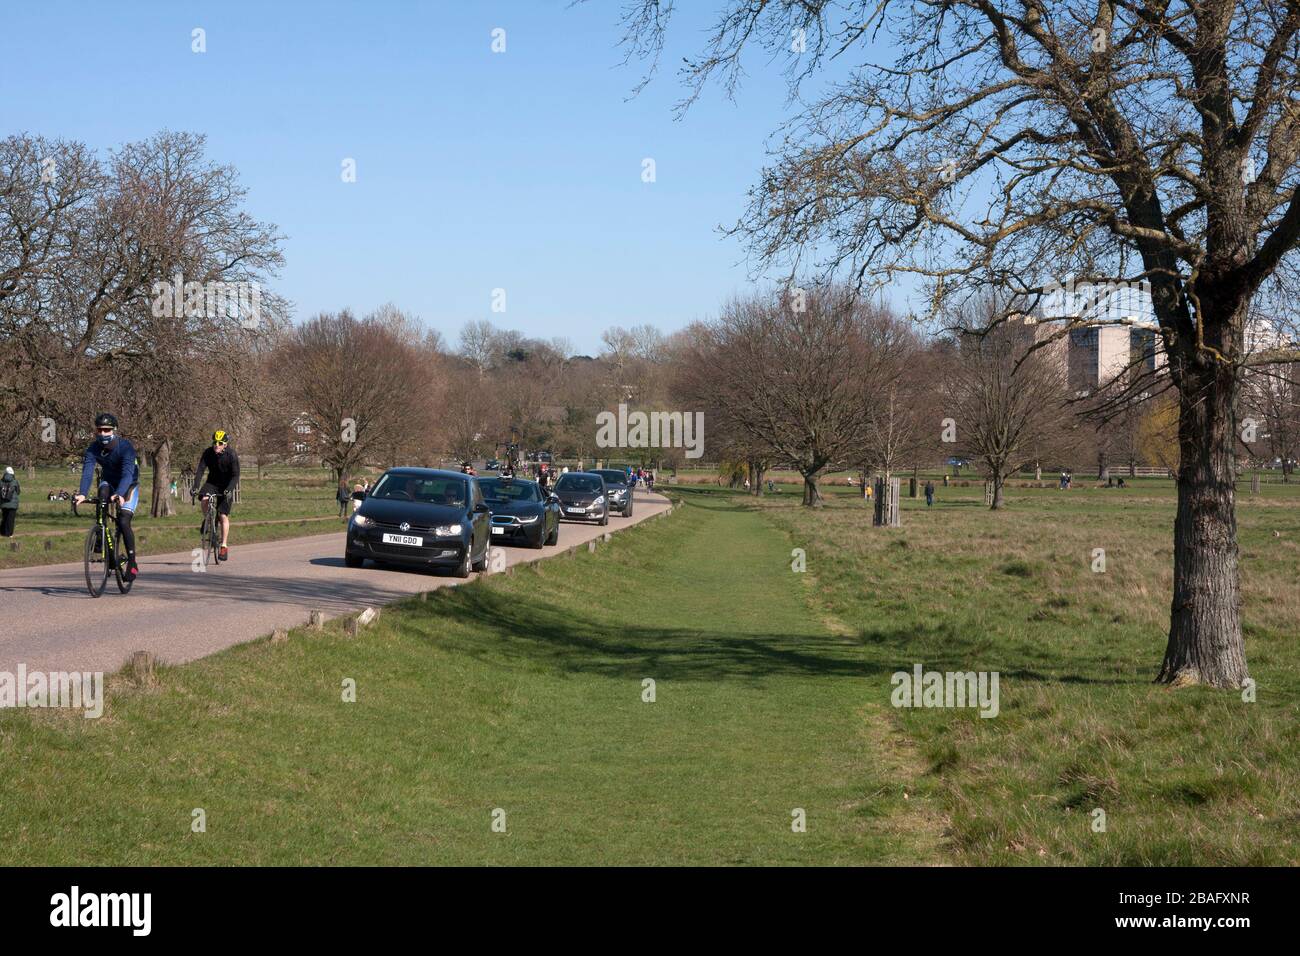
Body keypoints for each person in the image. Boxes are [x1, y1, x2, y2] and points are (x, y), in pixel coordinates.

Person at [72, 413, 140, 580]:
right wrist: (82, 493)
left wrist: (120, 493)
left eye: (106, 430)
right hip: (109, 481)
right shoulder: (93, 448)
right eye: (99, 430)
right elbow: (87, 472)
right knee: (102, 495)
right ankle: (101, 536)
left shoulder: (125, 447)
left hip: (128, 483)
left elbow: (127, 474)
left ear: (114, 431)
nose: (102, 433)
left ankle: (132, 561)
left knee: (123, 520)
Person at [191, 430, 240, 561]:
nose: (216, 445)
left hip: (226, 486)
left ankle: (223, 545)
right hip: (212, 483)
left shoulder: (231, 455)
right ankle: (207, 518)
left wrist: (229, 490)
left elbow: (236, 476)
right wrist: (195, 487)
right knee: (204, 499)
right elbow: (201, 470)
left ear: (225, 444)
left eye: (220, 443)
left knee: (223, 515)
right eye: (214, 443)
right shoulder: (208, 453)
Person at [0, 466, 20, 536]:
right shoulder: (15, 481)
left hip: (3, 503)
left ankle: (2, 532)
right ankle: (9, 533)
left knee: (4, 518)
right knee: (10, 519)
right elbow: (18, 492)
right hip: (13, 503)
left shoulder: (1, 481)